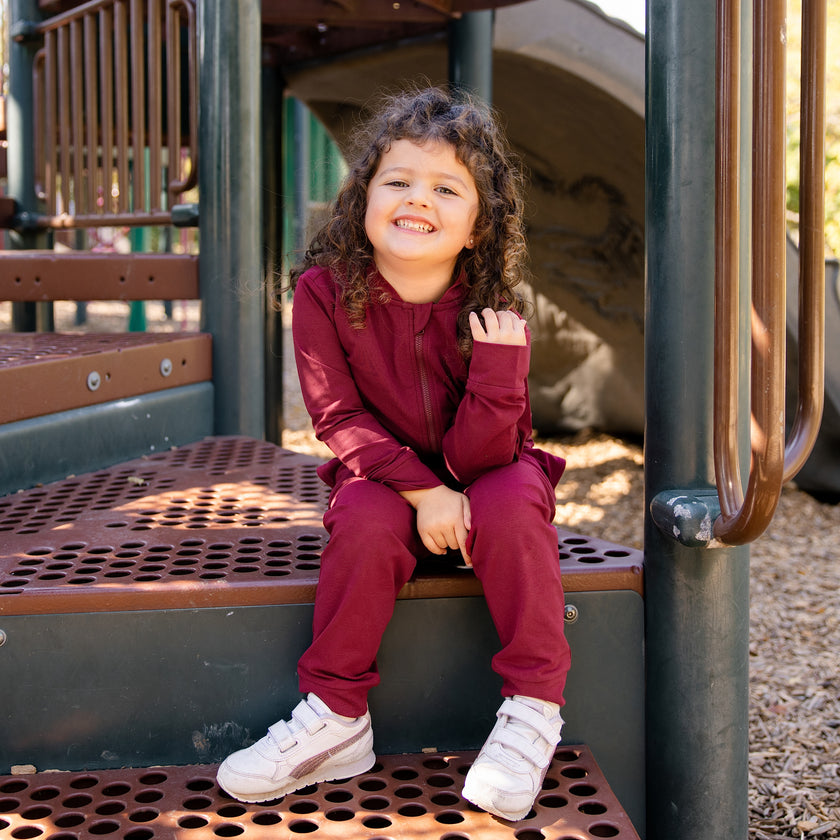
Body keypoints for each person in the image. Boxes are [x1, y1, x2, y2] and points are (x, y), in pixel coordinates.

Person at [216, 86, 571, 822]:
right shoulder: (321, 293)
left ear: (477, 225)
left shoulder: (494, 311)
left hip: (486, 482)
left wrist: (500, 375)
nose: (418, 199)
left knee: (512, 500)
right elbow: (337, 417)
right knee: (366, 517)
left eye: (447, 187)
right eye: (398, 180)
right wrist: (424, 493)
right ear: (365, 198)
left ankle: (534, 708)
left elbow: (487, 456)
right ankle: (337, 715)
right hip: (386, 482)